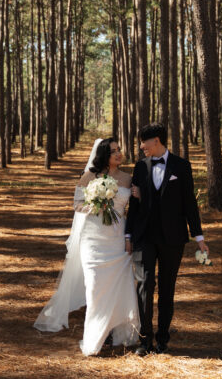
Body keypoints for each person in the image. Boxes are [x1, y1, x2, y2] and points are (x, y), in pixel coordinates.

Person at [34, 137, 140, 356]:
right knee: (94, 288)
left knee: (118, 286)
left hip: (117, 239)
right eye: (113, 151)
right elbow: (77, 205)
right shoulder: (89, 176)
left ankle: (115, 333)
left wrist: (139, 196)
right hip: (93, 239)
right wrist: (96, 203)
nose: (118, 154)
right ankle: (95, 338)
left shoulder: (128, 179)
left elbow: (136, 208)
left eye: (119, 150)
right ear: (103, 155)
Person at [125, 122, 208, 355]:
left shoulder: (182, 166)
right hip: (144, 237)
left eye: (144, 141)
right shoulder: (140, 167)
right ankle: (144, 340)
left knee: (167, 288)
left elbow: (189, 203)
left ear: (157, 141)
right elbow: (134, 205)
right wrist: (128, 234)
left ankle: (162, 339)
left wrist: (198, 236)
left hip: (173, 237)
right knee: (144, 286)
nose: (141, 146)